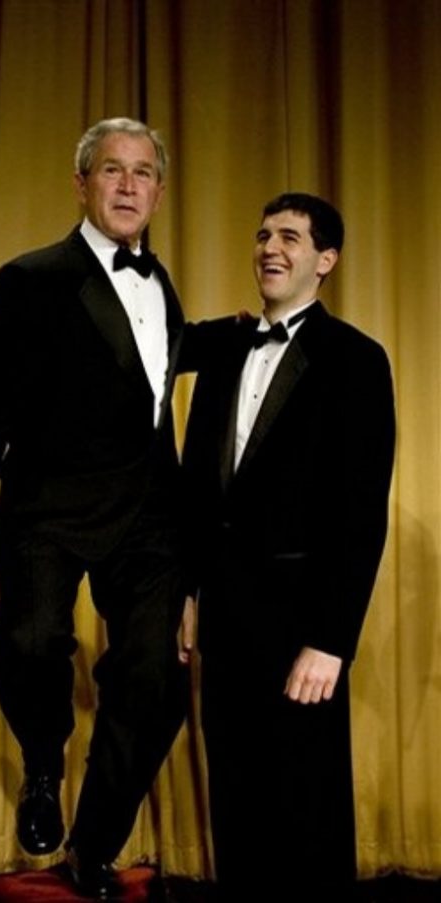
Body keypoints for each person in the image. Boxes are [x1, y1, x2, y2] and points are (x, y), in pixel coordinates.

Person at [0, 117, 189, 900]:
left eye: (142, 172)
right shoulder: (32, 277)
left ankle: (95, 843)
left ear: (157, 190)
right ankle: (44, 762)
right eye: (111, 170)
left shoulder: (160, 283)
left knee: (153, 682)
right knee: (35, 640)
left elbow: (150, 380)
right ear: (82, 183)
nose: (127, 184)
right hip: (49, 508)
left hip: (145, 517)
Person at [182, 193, 395, 901]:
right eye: (264, 233)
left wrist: (331, 638)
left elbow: (361, 511)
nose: (271, 247)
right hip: (224, 613)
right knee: (235, 800)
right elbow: (195, 486)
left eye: (292, 238)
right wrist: (189, 592)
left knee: (307, 807)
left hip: (303, 625)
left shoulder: (357, 359)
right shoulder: (224, 350)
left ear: (325, 260)